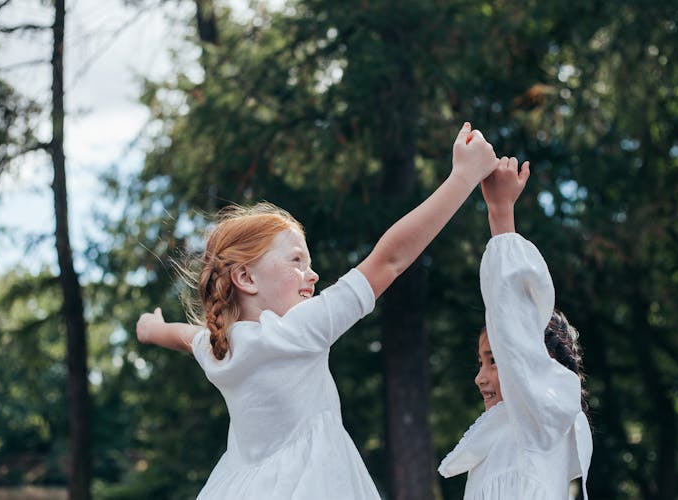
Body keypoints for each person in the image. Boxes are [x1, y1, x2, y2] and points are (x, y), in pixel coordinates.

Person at [136, 122, 499, 500]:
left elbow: (181, 335)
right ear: (246, 277)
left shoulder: (219, 347)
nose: (312, 275)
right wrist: (463, 177)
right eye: (297, 261)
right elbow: (390, 260)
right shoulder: (298, 330)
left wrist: (149, 328)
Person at [438, 156, 593, 499]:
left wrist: (500, 212)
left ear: (539, 361)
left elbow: (514, 323)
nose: (481, 376)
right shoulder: (502, 438)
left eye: (494, 360)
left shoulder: (540, 421)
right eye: (482, 362)